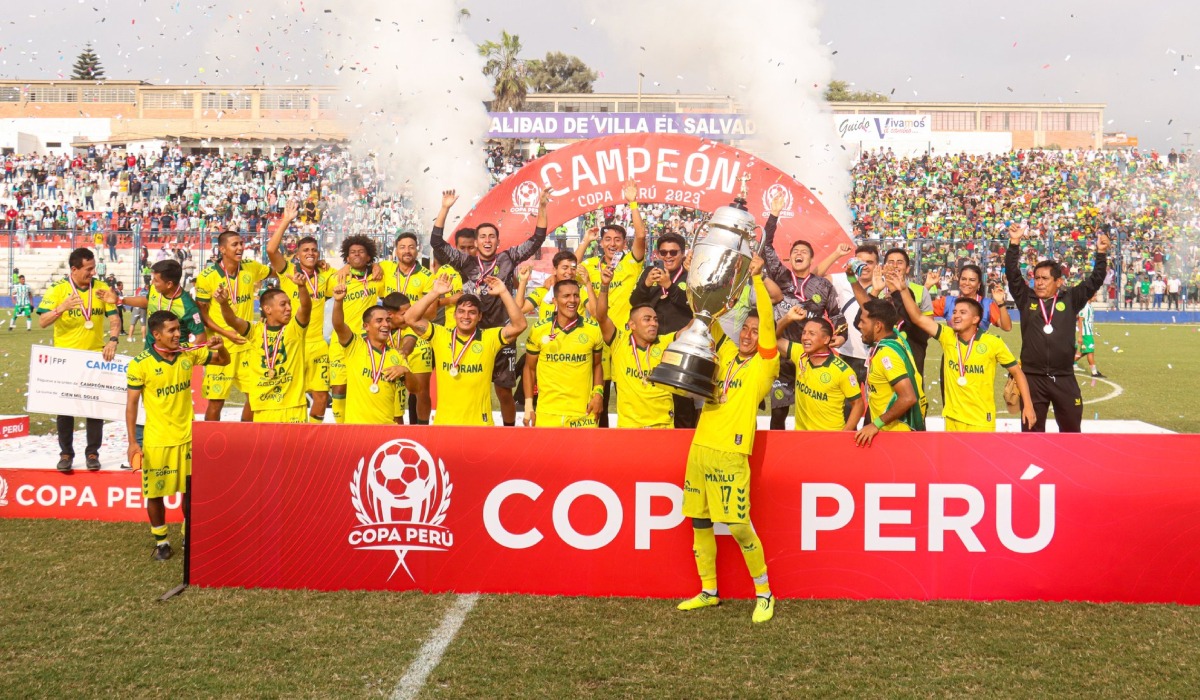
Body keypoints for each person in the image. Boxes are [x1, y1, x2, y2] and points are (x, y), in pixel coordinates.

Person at [677, 256, 779, 624]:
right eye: (746, 328)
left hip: (732, 452)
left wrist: (757, 279)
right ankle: (709, 591)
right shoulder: (724, 352)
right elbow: (710, 315)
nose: (749, 334)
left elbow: (767, 323)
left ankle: (764, 592)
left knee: (737, 525)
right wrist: (697, 274)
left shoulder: (765, 364)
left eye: (754, 330)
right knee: (699, 522)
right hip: (700, 447)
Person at [430, 189, 549, 426]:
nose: (487, 240)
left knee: (504, 390)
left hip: (503, 333)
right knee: (471, 384)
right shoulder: (466, 261)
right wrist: (445, 208)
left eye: (491, 236)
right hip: (472, 335)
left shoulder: (508, 258)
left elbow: (537, 239)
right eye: (482, 236)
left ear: (497, 240)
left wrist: (542, 207)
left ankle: (507, 433)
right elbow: (436, 243)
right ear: (476, 242)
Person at [126, 312, 229, 561]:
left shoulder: (187, 354)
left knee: (190, 491)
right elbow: (131, 406)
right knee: (155, 494)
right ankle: (161, 541)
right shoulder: (139, 364)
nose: (177, 335)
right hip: (158, 441)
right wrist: (132, 443)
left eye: (178, 330)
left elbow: (222, 362)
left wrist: (222, 347)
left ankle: (187, 534)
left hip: (188, 437)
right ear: (156, 335)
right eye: (171, 331)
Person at [891, 270, 1036, 432]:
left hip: (981, 420)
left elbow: (1017, 373)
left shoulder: (993, 343)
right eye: (954, 312)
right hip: (953, 418)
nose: (956, 316)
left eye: (962, 312)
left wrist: (1028, 406)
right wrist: (904, 290)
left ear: (976, 319)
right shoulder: (947, 336)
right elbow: (918, 318)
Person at [1005, 223, 1109, 433]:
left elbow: (1095, 280)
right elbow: (1012, 274)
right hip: (1032, 379)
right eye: (1036, 279)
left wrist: (1101, 253)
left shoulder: (1071, 299)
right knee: (1032, 435)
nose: (1039, 283)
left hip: (1064, 378)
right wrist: (1014, 243)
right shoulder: (1027, 298)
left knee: (1071, 433)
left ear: (1059, 281)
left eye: (1045, 279)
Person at [761, 194, 847, 430]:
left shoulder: (822, 286)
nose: (799, 254)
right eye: (795, 251)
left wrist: (842, 335)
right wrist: (774, 215)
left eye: (804, 252)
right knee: (778, 414)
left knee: (813, 413)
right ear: (791, 257)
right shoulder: (781, 276)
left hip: (812, 358)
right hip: (783, 358)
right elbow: (765, 247)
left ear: (810, 259)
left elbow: (837, 314)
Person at [36, 248, 120, 472]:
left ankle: (92, 453)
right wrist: (61, 308)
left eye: (94, 268)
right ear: (74, 269)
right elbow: (42, 321)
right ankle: (66, 454)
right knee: (65, 409)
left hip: (95, 357)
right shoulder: (58, 290)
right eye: (88, 269)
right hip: (66, 358)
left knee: (95, 408)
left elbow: (114, 318)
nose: (93, 272)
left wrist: (112, 340)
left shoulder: (101, 289)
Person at [404, 274, 527, 426]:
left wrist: (504, 292)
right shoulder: (440, 335)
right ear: (455, 315)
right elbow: (410, 318)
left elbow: (520, 325)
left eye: (472, 312)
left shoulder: (490, 338)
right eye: (461, 311)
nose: (466, 316)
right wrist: (434, 293)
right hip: (445, 424)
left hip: (480, 425)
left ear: (480, 316)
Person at [576, 181, 647, 427]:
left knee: (629, 395)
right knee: (598, 399)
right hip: (597, 340)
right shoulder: (589, 267)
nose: (613, 243)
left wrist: (633, 202)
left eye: (618, 239)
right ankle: (600, 446)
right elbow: (567, 269)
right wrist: (585, 241)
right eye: (608, 239)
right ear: (601, 242)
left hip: (625, 340)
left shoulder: (630, 263)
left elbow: (641, 235)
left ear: (623, 244)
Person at [213, 270, 312, 424]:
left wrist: (302, 288)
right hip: (263, 407)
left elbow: (305, 309)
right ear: (267, 309)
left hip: (293, 406)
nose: (289, 308)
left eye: (289, 304)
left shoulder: (294, 329)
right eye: (283, 304)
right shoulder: (255, 332)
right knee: (269, 449)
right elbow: (232, 320)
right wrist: (223, 303)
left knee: (295, 448)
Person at [194, 230, 273, 421]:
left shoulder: (251, 267)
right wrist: (226, 333)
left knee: (255, 397)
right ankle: (208, 449)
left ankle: (246, 441)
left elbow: (278, 269)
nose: (240, 248)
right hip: (221, 348)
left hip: (247, 346)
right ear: (222, 249)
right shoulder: (207, 276)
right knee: (216, 402)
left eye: (241, 243)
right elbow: (201, 315)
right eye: (234, 245)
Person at [267, 200, 334, 423]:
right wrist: (286, 220)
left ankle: (312, 437)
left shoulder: (324, 277)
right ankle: (293, 437)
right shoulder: (287, 272)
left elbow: (349, 274)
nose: (311, 253)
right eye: (306, 250)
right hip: (292, 343)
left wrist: (372, 264)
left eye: (314, 250)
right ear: (297, 255)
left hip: (317, 345)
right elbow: (271, 249)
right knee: (291, 395)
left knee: (322, 396)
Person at [628, 231, 697, 428]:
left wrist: (670, 286)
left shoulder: (690, 275)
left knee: (683, 401)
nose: (668, 257)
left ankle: (684, 447)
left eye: (673, 252)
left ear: (682, 253)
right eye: (663, 252)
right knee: (657, 396)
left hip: (682, 347)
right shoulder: (650, 272)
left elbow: (695, 306)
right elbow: (634, 303)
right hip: (656, 347)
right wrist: (647, 284)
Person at [594, 264, 676, 428]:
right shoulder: (619, 342)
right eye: (647, 319)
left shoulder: (667, 342)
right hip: (630, 428)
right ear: (632, 324)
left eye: (655, 320)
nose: (653, 323)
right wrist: (604, 286)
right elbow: (601, 317)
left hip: (663, 425)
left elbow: (691, 328)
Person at [522, 278, 604, 428]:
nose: (572, 300)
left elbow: (597, 365)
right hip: (548, 413)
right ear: (554, 300)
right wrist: (528, 406)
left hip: (583, 413)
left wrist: (598, 394)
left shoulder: (593, 329)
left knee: (583, 452)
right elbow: (529, 368)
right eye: (566, 296)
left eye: (576, 295)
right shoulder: (539, 329)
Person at [322, 235, 385, 424]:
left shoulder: (379, 277)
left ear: (369, 257)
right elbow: (316, 270)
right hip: (341, 340)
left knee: (366, 385)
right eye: (352, 252)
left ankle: (365, 423)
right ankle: (341, 428)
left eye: (361, 252)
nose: (357, 255)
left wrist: (378, 265)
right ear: (346, 257)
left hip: (366, 343)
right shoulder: (337, 278)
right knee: (339, 388)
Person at [380, 231, 437, 425]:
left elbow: (430, 312)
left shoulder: (427, 276)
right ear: (395, 250)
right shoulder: (385, 269)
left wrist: (409, 317)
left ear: (417, 249)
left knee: (421, 389)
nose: (407, 251)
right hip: (388, 337)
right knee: (389, 386)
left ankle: (421, 429)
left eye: (411, 247)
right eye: (402, 247)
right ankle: (391, 427)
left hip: (419, 338)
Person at [331, 286, 409, 425]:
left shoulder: (396, 355)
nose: (385, 324)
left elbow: (415, 389)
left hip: (386, 430)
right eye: (379, 321)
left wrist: (406, 371)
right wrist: (338, 302)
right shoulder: (355, 346)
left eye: (387, 320)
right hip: (356, 430)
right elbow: (338, 325)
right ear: (366, 326)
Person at [854, 298, 926, 446]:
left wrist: (876, 424)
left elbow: (908, 398)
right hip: (890, 433)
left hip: (895, 436)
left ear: (878, 326)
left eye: (863, 321)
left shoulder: (887, 354)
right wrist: (853, 280)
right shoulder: (895, 337)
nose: (859, 326)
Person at [775, 312, 864, 431]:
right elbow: (772, 338)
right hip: (801, 438)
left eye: (812, 334)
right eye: (804, 332)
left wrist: (843, 435)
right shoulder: (800, 353)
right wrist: (788, 318)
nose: (805, 337)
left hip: (829, 439)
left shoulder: (842, 371)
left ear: (826, 339)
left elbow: (858, 404)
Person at [930, 264, 1012, 333]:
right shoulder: (948, 302)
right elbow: (920, 311)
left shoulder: (987, 304)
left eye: (972, 280)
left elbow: (1007, 327)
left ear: (979, 284)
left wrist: (1001, 302)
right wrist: (928, 285)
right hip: (952, 351)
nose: (967, 283)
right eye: (963, 279)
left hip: (978, 351)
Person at [519, 251, 595, 323]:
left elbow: (595, 313)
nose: (569, 272)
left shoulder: (580, 291)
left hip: (574, 336)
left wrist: (588, 283)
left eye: (573, 269)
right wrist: (523, 281)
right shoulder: (543, 291)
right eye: (565, 268)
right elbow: (520, 310)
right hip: (547, 336)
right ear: (555, 270)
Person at [1075, 294, 1104, 378]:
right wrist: (1080, 336)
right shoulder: (1085, 307)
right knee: (1090, 351)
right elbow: (1080, 320)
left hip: (1089, 333)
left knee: (1083, 352)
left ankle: (1065, 366)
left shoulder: (1090, 307)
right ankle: (1094, 372)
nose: (1096, 297)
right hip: (1086, 334)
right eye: (1094, 296)